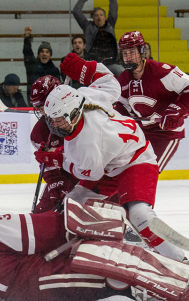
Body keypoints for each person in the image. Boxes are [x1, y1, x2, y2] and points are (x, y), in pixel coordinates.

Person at [37, 52, 187, 263]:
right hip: (111, 160)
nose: (55, 126)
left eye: (60, 120)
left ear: (73, 113)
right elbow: (109, 82)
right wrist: (85, 69)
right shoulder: (87, 97)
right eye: (52, 120)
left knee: (139, 214)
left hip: (136, 160)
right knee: (72, 203)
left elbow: (90, 172)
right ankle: (68, 249)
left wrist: (57, 159)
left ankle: (180, 260)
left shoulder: (85, 141)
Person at [0, 204, 189, 301]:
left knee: (103, 263)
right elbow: (47, 228)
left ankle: (133, 285)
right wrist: (104, 225)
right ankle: (153, 288)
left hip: (29, 294)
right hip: (43, 280)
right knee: (109, 263)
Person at [114, 31, 189, 172]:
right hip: (141, 132)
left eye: (131, 52)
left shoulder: (162, 72)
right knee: (123, 173)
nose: (128, 58)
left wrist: (180, 109)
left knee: (146, 173)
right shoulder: (123, 79)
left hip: (166, 134)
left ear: (142, 51)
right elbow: (123, 107)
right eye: (124, 54)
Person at [29, 75, 79, 213]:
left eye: (43, 106)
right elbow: (48, 169)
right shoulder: (38, 133)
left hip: (89, 175)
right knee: (41, 214)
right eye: (38, 107)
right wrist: (57, 185)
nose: (42, 112)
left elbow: (86, 157)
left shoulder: (78, 116)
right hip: (63, 175)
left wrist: (57, 153)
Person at [73, 0, 124, 77]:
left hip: (111, 64)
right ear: (92, 17)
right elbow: (76, 12)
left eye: (101, 15)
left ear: (105, 17)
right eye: (96, 15)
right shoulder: (87, 26)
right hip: (94, 64)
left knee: (122, 72)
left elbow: (113, 8)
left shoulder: (110, 24)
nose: (99, 17)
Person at [23, 27, 61, 104]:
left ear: (50, 55)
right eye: (42, 51)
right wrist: (27, 37)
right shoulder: (32, 66)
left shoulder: (55, 70)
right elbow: (27, 52)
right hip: (34, 104)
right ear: (39, 54)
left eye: (47, 52)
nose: (44, 54)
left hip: (50, 105)